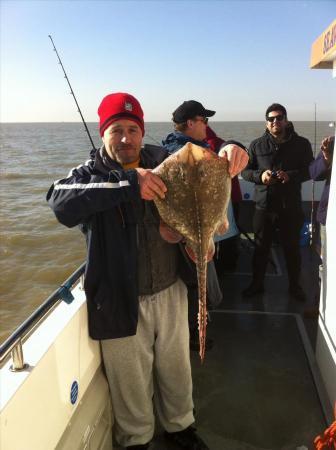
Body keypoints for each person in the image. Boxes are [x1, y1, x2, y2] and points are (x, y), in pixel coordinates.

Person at [47, 93, 247, 450]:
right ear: (103, 132)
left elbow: (202, 151)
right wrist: (127, 183)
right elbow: (59, 201)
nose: (126, 138)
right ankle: (137, 439)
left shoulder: (162, 158)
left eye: (133, 129)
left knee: (176, 367)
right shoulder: (90, 173)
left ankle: (180, 427)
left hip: (170, 286)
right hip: (120, 296)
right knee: (130, 379)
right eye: (117, 130)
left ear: (142, 132)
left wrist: (233, 147)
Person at [162, 100, 248, 349]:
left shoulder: (168, 151)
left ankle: (197, 326)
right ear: (190, 123)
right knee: (195, 283)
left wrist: (234, 146)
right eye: (204, 121)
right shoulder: (178, 155)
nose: (207, 126)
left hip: (187, 232)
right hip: (190, 234)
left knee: (197, 283)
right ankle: (194, 332)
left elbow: (227, 151)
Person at [241, 103, 314, 302]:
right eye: (271, 119)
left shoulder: (302, 144)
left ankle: (295, 287)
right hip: (264, 206)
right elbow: (245, 171)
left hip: (290, 206)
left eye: (279, 118)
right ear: (266, 123)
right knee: (260, 249)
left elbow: (311, 170)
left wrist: (290, 176)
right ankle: (257, 285)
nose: (275, 122)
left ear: (286, 120)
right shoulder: (256, 145)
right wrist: (260, 176)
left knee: (292, 249)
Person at [305, 135, 334, 317]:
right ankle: (321, 305)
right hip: (329, 216)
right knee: (326, 263)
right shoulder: (332, 143)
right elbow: (314, 174)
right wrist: (326, 158)